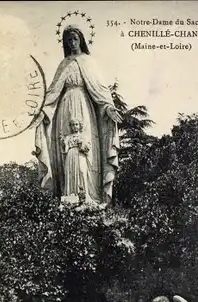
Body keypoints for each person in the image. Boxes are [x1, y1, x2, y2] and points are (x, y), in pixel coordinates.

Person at [35, 24, 122, 205]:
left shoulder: (88, 62)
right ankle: (68, 195)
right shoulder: (64, 64)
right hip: (65, 110)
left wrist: (108, 107)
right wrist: (43, 111)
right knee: (66, 151)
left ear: (81, 40)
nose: (72, 43)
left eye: (75, 39)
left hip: (85, 107)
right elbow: (53, 92)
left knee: (87, 151)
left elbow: (100, 90)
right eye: (68, 40)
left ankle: (91, 196)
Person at [60, 118, 92, 204]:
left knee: (82, 172)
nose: (75, 126)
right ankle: (70, 193)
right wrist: (64, 143)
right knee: (70, 172)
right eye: (73, 125)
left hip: (80, 155)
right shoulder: (68, 137)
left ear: (80, 125)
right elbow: (65, 150)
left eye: (76, 124)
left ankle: (84, 194)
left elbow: (87, 149)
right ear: (70, 126)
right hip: (70, 154)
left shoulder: (83, 136)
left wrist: (81, 144)